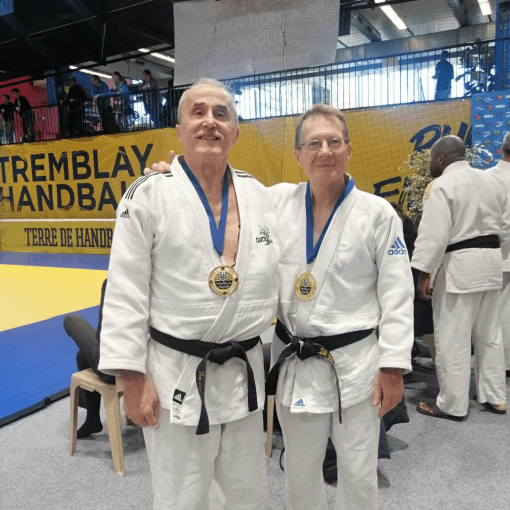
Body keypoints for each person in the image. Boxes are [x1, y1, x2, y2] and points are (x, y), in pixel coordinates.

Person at [146, 103, 415, 510]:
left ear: (349, 149)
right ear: (298, 154)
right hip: (297, 364)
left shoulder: (378, 214)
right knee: (300, 472)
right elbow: (219, 197)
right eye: (314, 143)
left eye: (334, 142)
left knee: (359, 472)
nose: (325, 151)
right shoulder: (274, 202)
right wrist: (175, 179)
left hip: (358, 365)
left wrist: (393, 368)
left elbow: (398, 295)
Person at [98, 78, 280, 510]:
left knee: (249, 496)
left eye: (221, 114)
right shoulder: (147, 196)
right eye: (197, 112)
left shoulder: (262, 195)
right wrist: (131, 378)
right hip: (176, 377)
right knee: (182, 499)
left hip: (243, 377)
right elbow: (125, 291)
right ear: (179, 131)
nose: (210, 122)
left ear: (236, 132)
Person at [412, 135, 510, 420]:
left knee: (452, 338)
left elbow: (433, 236)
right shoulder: (492, 181)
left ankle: (452, 404)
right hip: (492, 264)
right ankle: (496, 397)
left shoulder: (442, 185)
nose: (431, 163)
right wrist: (493, 255)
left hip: (459, 268)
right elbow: (505, 228)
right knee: (490, 335)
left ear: (441, 158)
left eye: (432, 158)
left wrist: (423, 274)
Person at [63, 279, 116, 438]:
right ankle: (92, 419)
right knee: (82, 356)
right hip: (146, 364)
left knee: (71, 320)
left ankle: (92, 418)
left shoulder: (114, 282)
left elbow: (102, 337)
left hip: (113, 367)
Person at [487, 132, 510, 374]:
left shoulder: (488, 178)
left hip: (494, 253)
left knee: (497, 314)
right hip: (499, 253)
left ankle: (501, 364)